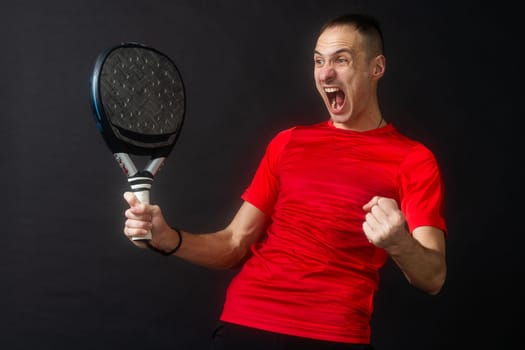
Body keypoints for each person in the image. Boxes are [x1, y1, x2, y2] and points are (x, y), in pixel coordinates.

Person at [123, 13, 447, 350]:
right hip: (246, 321)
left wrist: (398, 241)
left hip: (333, 333)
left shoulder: (413, 159)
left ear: (376, 68)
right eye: (319, 61)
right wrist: (166, 238)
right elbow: (234, 242)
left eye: (341, 60)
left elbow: (433, 278)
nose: (326, 73)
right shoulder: (288, 142)